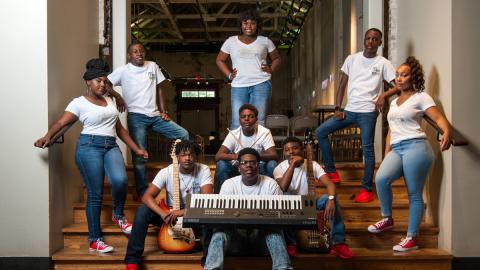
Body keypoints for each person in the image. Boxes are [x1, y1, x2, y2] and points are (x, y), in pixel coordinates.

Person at [34, 58, 148, 253]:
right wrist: (47, 136)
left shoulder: (111, 100)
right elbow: (61, 124)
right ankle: (95, 239)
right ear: (88, 81)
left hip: (111, 146)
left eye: (105, 81)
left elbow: (119, 129)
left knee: (120, 181)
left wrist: (136, 149)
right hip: (89, 147)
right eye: (98, 81)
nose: (102, 85)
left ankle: (118, 215)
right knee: (95, 194)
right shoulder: (78, 103)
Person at [367, 56, 451, 252]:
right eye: (397, 75)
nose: (399, 78)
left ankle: (411, 237)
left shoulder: (421, 97)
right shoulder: (395, 102)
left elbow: (438, 118)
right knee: (380, 179)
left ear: (413, 77)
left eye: (404, 75)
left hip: (416, 147)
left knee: (414, 194)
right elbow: (390, 130)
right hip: (397, 148)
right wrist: (387, 154)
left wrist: (446, 131)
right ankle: (387, 218)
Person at [315, 28, 397, 203]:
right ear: (364, 40)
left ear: (380, 43)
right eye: (368, 38)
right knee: (321, 132)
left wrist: (383, 95)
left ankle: (366, 190)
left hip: (368, 112)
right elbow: (342, 84)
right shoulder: (352, 59)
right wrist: (338, 107)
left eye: (375, 39)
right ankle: (331, 171)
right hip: (350, 110)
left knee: (367, 149)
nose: (370, 41)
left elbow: (397, 85)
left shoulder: (383, 63)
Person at [107, 42, 189, 198]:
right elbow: (107, 84)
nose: (139, 54)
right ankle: (142, 192)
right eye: (135, 52)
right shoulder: (123, 71)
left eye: (141, 51)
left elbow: (159, 89)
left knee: (183, 135)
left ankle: (180, 175)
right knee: (140, 156)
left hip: (155, 116)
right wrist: (118, 97)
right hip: (136, 117)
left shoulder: (152, 66)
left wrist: (164, 111)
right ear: (129, 55)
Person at [125, 141, 214, 270]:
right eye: (183, 155)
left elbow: (207, 200)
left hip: (193, 215)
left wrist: (182, 212)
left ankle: (208, 262)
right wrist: (162, 213)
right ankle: (132, 261)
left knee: (209, 214)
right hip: (169, 217)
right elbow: (146, 197)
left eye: (191, 155)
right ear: (177, 156)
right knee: (142, 211)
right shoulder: (166, 172)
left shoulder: (203, 169)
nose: (187, 158)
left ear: (196, 156)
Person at [204, 148, 292, 270]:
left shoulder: (271, 184)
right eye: (244, 163)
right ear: (239, 167)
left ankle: (283, 268)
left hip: (262, 242)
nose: (249, 166)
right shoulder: (229, 185)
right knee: (219, 232)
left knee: (274, 231)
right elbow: (223, 218)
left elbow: (279, 216)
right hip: (236, 242)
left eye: (253, 162)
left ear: (258, 166)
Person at [273, 137, 353, 259]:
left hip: (310, 203)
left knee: (329, 198)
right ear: (284, 153)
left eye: (295, 148)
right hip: (292, 206)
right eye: (287, 149)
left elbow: (330, 184)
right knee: (286, 197)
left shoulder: (313, 164)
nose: (291, 152)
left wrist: (331, 199)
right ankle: (291, 243)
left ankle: (338, 243)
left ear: (302, 150)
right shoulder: (279, 168)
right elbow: (283, 187)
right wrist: (293, 165)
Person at [216, 9, 281, 129]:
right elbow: (219, 60)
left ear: (257, 25)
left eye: (252, 23)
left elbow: (276, 58)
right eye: (245, 23)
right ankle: (239, 148)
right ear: (241, 25)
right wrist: (229, 75)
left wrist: (271, 69)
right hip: (239, 85)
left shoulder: (265, 41)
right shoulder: (231, 41)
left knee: (259, 121)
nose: (249, 26)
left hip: (261, 84)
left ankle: (256, 148)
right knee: (236, 121)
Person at [215, 104, 278, 192]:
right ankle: (220, 197)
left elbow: (274, 155)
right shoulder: (234, 134)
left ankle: (272, 194)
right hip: (239, 167)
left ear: (256, 120)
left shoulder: (264, 132)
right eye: (243, 117)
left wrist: (255, 156)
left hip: (258, 166)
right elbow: (218, 156)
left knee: (272, 164)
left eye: (251, 116)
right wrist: (237, 156)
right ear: (239, 120)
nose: (246, 119)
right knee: (221, 165)